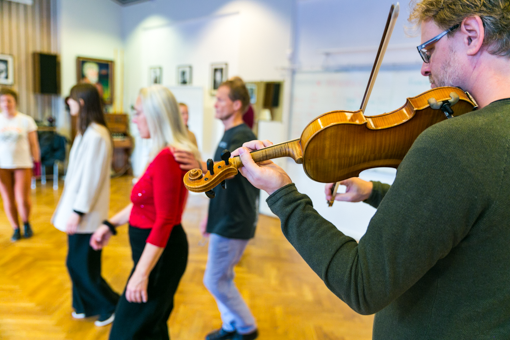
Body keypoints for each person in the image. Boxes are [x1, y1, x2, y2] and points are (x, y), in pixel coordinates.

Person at [230, 1, 510, 338]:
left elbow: (362, 284)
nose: (425, 68)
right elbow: (470, 218)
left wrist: (281, 194)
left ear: (471, 34)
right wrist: (373, 191)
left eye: (429, 49)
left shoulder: (454, 143)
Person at [90, 85, 200, 340]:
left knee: (125, 332)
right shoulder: (161, 153)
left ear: (156, 115)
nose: (134, 119)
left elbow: (164, 220)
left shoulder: (167, 157)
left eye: (139, 113)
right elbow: (142, 205)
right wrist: (109, 224)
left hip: (160, 255)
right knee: (151, 327)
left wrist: (140, 275)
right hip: (155, 253)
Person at [175, 78, 260, 340]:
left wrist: (197, 163)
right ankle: (231, 325)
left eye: (221, 99)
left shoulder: (242, 136)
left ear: (236, 104)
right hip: (223, 218)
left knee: (214, 280)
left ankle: (246, 328)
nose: (215, 104)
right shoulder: (229, 134)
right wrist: (208, 217)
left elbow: (229, 171)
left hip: (234, 221)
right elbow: (219, 182)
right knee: (223, 277)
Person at [52, 83, 119, 326]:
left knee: (81, 265)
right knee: (78, 263)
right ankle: (84, 305)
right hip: (79, 210)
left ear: (81, 103)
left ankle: (109, 305)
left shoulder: (97, 134)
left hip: (85, 213)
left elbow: (91, 178)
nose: (67, 103)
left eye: (70, 99)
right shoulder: (87, 131)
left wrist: (77, 211)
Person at [0, 88, 40, 241]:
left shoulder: (26, 120)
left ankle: (26, 222)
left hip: (23, 164)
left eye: (9, 100)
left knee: (22, 199)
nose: (6, 104)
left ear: (15, 102)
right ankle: (15, 228)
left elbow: (34, 144)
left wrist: (36, 164)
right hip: (2, 166)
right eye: (2, 100)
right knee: (8, 199)